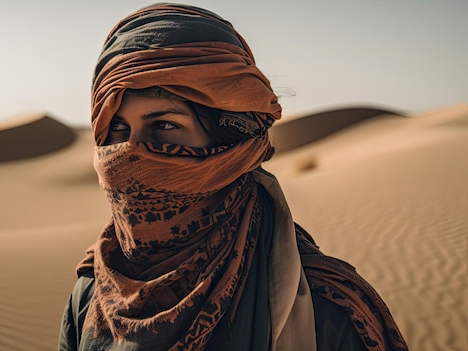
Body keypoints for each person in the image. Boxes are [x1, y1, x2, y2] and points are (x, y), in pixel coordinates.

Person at [59, 3, 408, 351]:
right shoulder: (91, 291)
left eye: (165, 126)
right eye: (117, 128)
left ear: (230, 146)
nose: (130, 151)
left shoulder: (326, 311)